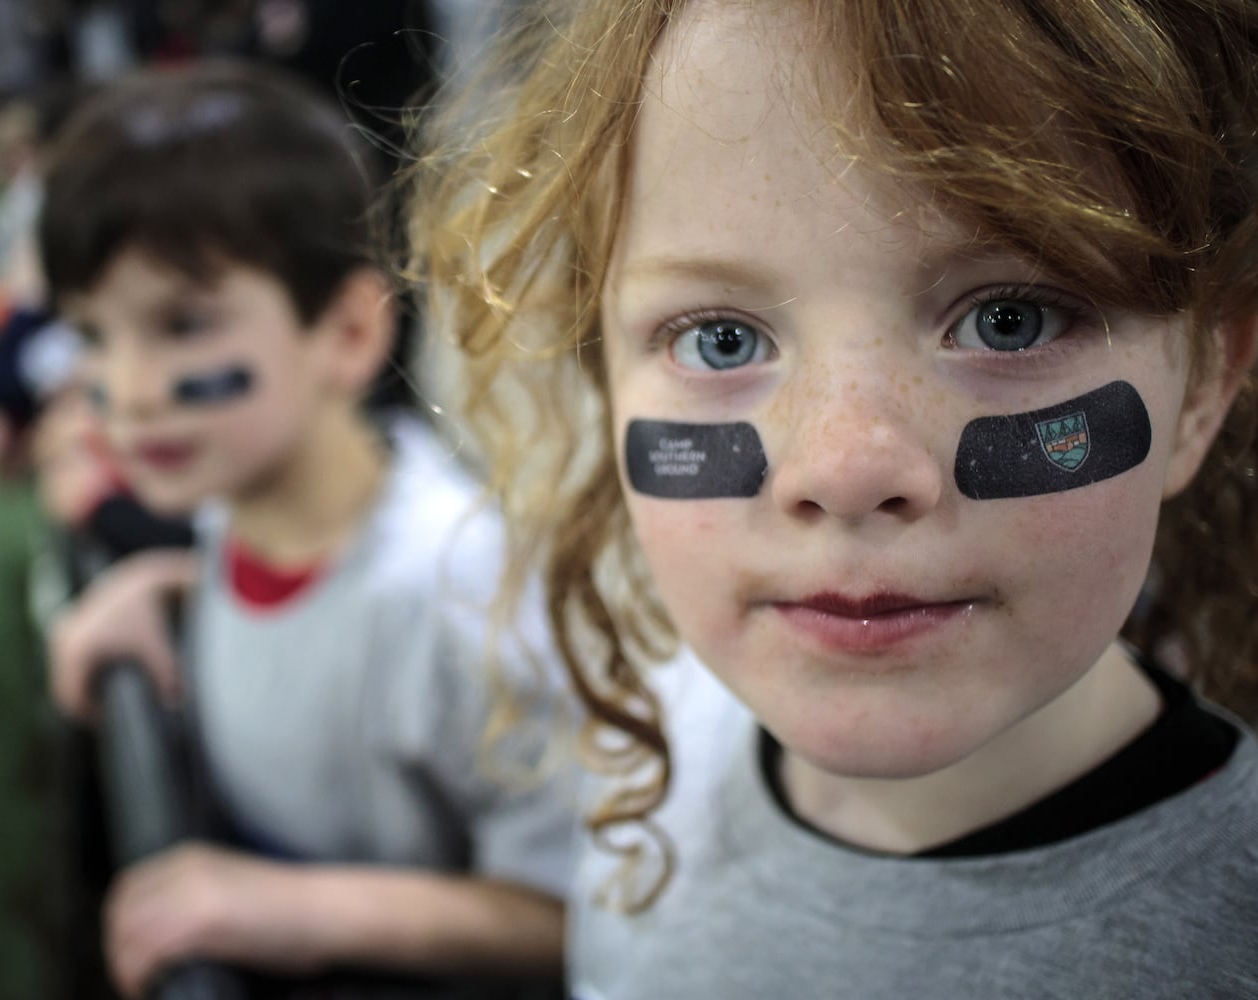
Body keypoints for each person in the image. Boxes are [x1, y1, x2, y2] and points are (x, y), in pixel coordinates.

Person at [409, 0, 1258, 996]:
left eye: (1010, 320)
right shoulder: (649, 784)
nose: (846, 468)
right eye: (719, 338)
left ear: (1203, 385)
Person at [40, 61, 571, 998]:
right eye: (93, 334)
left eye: (183, 324)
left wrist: (293, 908)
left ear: (348, 336)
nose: (125, 391)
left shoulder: (463, 598)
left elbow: (575, 923)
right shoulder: (232, 497)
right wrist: (165, 591)